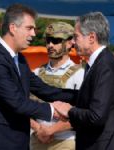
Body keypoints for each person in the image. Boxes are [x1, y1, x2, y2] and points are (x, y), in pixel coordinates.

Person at [0, 4, 76, 150]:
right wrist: (53, 110)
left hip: (18, 142)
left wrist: (83, 95)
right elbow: (17, 102)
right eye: (29, 28)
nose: (34, 34)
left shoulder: (19, 59)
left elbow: (44, 90)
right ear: (13, 28)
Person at [53, 12, 114, 150]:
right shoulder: (98, 63)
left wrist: (70, 111)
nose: (72, 42)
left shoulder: (105, 66)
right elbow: (89, 100)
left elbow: (96, 116)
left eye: (76, 37)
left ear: (91, 37)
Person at [30, 22, 84, 150]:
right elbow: (22, 105)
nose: (50, 45)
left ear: (71, 42)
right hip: (37, 139)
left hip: (66, 141)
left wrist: (51, 130)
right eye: (48, 40)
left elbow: (83, 113)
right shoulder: (35, 73)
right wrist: (38, 128)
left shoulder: (80, 74)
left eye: (56, 40)